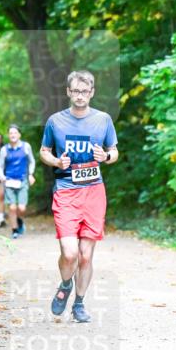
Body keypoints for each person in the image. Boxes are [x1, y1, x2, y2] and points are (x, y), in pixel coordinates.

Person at [39, 70, 119, 323]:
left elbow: (114, 151)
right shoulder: (55, 121)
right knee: (70, 252)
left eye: (85, 91)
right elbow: (44, 151)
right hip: (65, 190)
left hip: (94, 191)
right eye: (76, 91)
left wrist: (105, 157)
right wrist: (56, 161)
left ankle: (80, 304)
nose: (80, 96)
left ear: (92, 92)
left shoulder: (103, 120)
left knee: (86, 254)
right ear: (68, 92)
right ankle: (65, 285)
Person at [0, 124, 36, 239]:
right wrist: (1, 176)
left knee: (22, 208)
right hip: (9, 181)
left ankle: (19, 220)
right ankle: (14, 229)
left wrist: (31, 174)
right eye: (10, 133)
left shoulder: (26, 146)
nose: (13, 135)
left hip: (22, 180)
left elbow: (32, 161)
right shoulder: (4, 149)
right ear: (8, 135)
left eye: (15, 133)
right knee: (12, 207)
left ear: (19, 135)